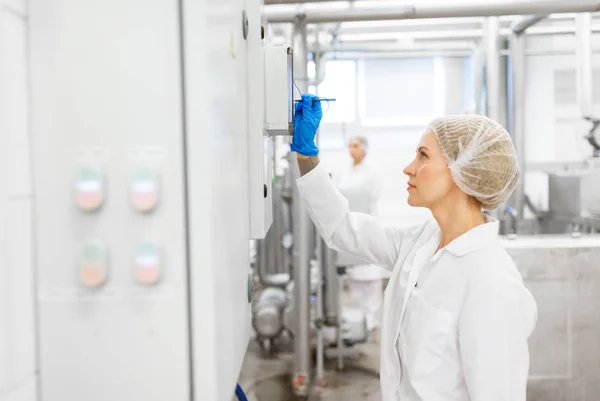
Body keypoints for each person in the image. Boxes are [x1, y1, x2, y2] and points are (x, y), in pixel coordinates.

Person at [291, 94, 538, 401]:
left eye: (423, 155)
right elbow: (343, 228)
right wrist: (307, 155)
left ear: (462, 170)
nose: (408, 168)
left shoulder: (491, 283)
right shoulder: (423, 241)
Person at [332, 135, 387, 330]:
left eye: (355, 146)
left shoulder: (373, 170)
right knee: (354, 273)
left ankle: (371, 319)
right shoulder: (344, 171)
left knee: (370, 275)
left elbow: (373, 195)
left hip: (369, 225)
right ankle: (356, 317)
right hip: (350, 225)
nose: (351, 150)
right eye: (349, 146)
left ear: (363, 147)